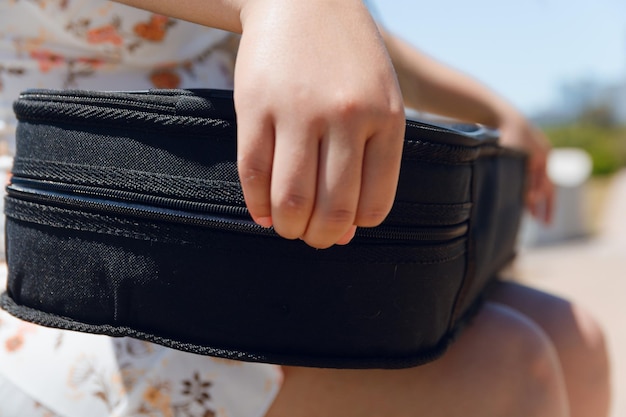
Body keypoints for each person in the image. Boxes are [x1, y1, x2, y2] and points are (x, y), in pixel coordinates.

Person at [0, 1, 610, 416]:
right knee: (510, 366)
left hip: (246, 231)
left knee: (572, 335)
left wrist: (488, 107)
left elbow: (354, 39)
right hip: (62, 236)